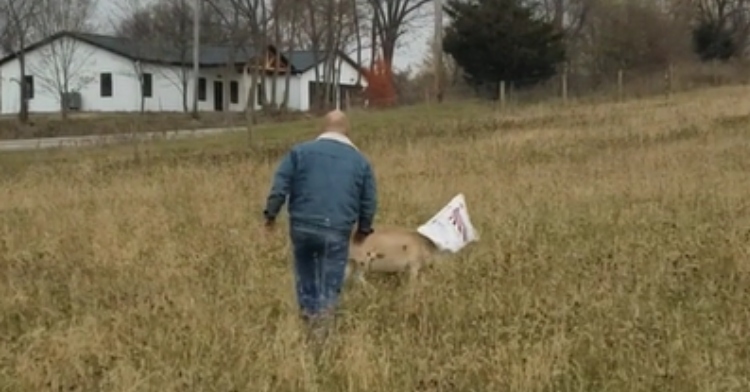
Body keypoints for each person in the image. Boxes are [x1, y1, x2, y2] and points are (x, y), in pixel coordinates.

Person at [262, 109, 378, 339]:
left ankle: (307, 322)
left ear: (323, 128)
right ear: (347, 130)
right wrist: (363, 230)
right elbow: (369, 200)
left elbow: (279, 186)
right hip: (337, 229)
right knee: (329, 282)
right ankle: (322, 334)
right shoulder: (360, 162)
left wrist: (270, 216)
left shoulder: (300, 152)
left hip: (302, 226)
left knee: (305, 276)